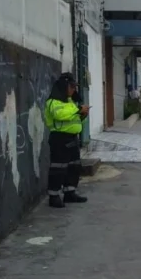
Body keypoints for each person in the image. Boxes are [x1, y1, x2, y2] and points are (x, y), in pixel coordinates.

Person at [43, 72, 89, 208]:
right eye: (72, 86)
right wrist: (79, 109)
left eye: (75, 87)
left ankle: (70, 193)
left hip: (72, 138)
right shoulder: (53, 102)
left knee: (73, 167)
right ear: (64, 86)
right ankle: (54, 196)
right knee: (58, 168)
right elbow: (60, 115)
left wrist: (83, 115)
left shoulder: (71, 101)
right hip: (59, 139)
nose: (74, 90)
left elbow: (74, 119)